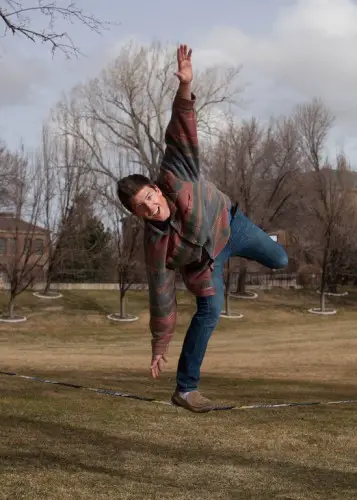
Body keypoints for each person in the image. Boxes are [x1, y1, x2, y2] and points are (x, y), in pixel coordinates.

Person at [117, 44, 288, 413]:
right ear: (139, 215)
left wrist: (184, 87)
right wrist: (159, 346)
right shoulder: (155, 246)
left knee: (280, 259)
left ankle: (264, 240)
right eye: (142, 207)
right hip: (203, 265)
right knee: (210, 312)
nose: (151, 205)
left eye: (149, 195)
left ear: (155, 188)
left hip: (230, 225)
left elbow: (181, 131)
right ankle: (186, 389)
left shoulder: (175, 175)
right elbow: (161, 298)